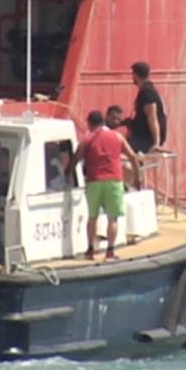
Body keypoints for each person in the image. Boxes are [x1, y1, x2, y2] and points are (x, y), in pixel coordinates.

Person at [71, 109, 141, 259]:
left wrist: (66, 174)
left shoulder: (87, 139)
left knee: (92, 217)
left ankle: (90, 250)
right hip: (114, 181)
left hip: (94, 181)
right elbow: (133, 156)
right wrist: (137, 177)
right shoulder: (117, 136)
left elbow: (75, 159)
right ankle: (110, 251)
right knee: (112, 218)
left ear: (89, 123)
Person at [126, 61, 167, 155]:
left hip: (144, 139)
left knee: (122, 156)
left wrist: (156, 143)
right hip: (142, 137)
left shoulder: (147, 92)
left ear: (135, 75)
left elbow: (152, 118)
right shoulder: (149, 90)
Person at [105, 104, 140, 187]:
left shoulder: (114, 134)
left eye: (118, 119)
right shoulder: (104, 132)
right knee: (128, 167)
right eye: (113, 118)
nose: (116, 122)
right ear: (107, 116)